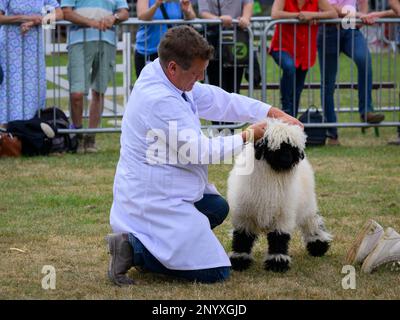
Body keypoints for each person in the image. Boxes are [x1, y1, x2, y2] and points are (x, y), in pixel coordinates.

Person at [106, 25, 303, 285]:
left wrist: (271, 112)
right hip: (153, 199)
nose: (199, 80)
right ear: (173, 67)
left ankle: (164, 244)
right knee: (217, 271)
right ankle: (134, 249)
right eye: (196, 74)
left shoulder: (165, 76)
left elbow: (219, 100)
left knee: (216, 206)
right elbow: (199, 152)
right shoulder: (159, 100)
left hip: (167, 189)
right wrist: (247, 136)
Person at [61, 0, 129, 153]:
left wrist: (114, 18)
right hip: (78, 41)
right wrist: (90, 22)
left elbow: (124, 12)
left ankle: (90, 139)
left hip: (107, 40)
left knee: (99, 92)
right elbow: (66, 12)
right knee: (76, 93)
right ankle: (77, 137)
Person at [317, 0, 386, 146]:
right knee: (328, 83)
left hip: (350, 28)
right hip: (328, 28)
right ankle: (332, 132)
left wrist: (363, 15)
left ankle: (366, 111)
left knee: (364, 60)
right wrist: (359, 14)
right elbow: (331, 8)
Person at [269, 0, 337, 117]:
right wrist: (300, 16)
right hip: (282, 47)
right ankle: (286, 106)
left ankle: (291, 121)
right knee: (290, 67)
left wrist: (313, 15)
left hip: (304, 51)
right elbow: (275, 14)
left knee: (297, 90)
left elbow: (333, 14)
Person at [0, 1, 63, 127]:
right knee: (10, 88)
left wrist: (35, 21)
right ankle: (6, 131)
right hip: (10, 48)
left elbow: (60, 13)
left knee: (34, 89)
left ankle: (30, 131)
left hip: (33, 49)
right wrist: (24, 18)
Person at [135, 0, 196, 78]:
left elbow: (192, 17)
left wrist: (186, 11)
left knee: (173, 85)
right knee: (148, 85)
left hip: (173, 51)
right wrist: (156, 5)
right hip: (148, 50)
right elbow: (142, 17)